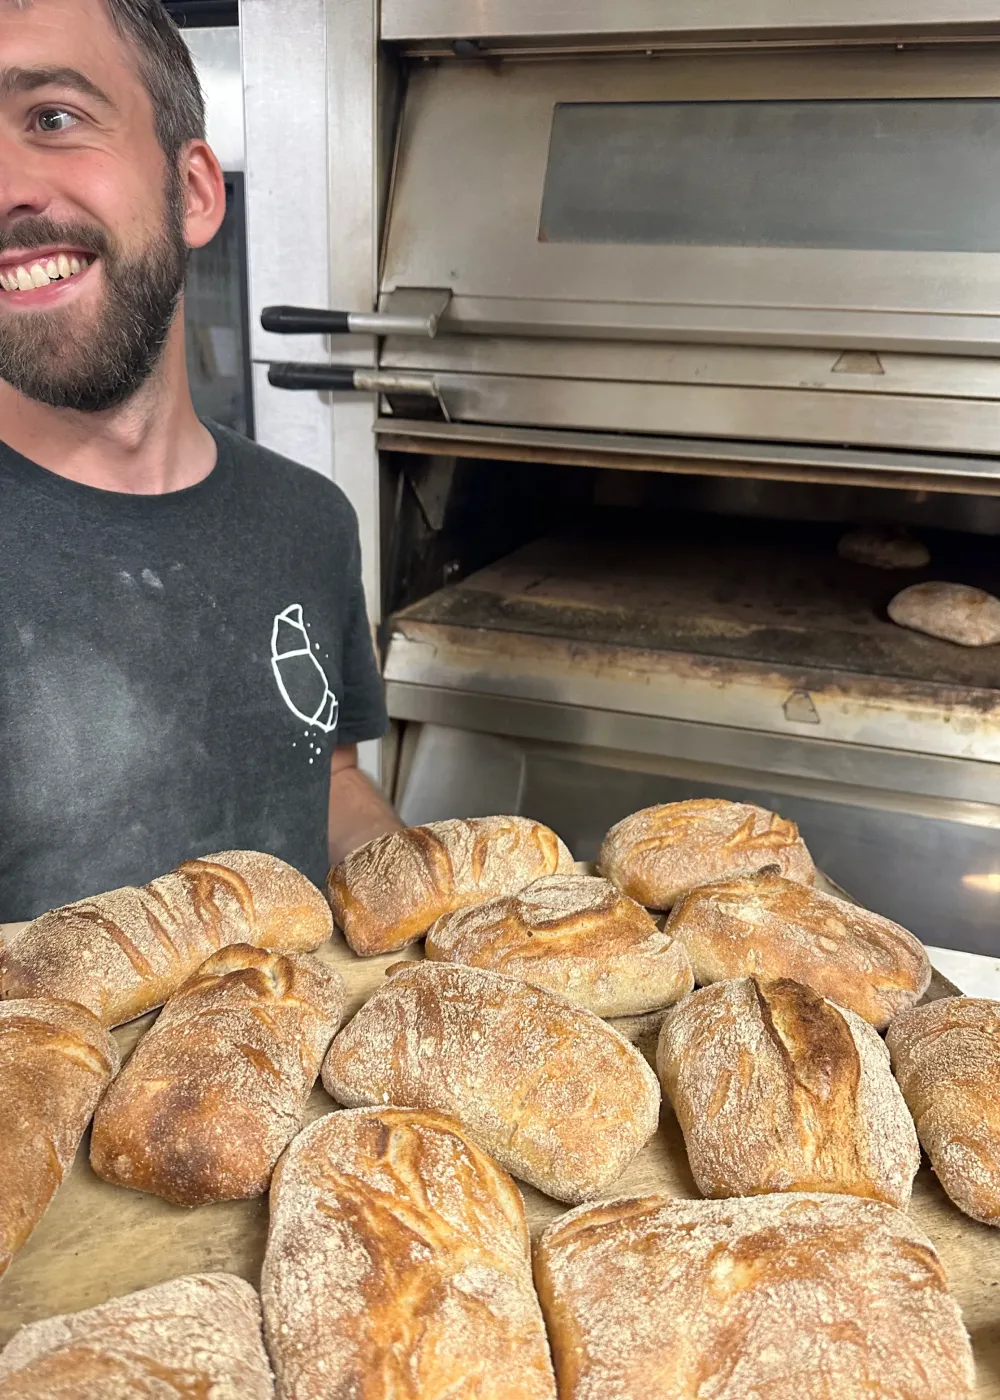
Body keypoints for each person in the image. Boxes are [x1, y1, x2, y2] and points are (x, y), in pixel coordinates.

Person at [0, 0, 403, 920]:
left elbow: (330, 778)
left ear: (192, 192)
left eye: (52, 119)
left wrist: (427, 912)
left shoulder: (307, 520)